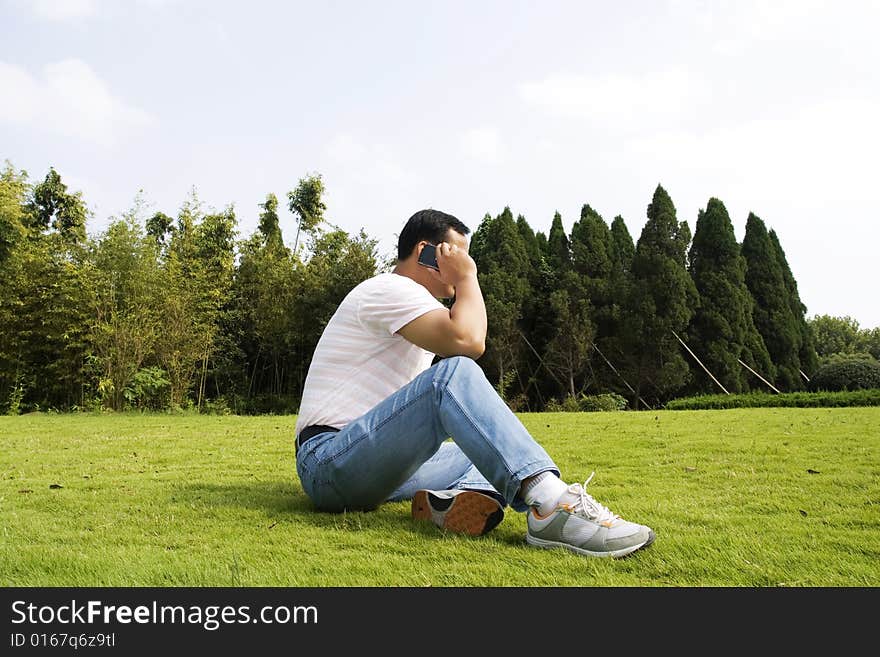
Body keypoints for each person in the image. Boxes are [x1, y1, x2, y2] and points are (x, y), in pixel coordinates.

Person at [293, 209, 655, 558]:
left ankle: (442, 507)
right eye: (456, 255)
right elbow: (469, 342)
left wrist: (463, 277)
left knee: (479, 450)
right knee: (452, 373)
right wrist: (467, 278)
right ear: (426, 252)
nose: (462, 266)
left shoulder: (417, 311)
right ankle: (551, 506)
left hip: (372, 467)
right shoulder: (390, 288)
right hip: (327, 461)